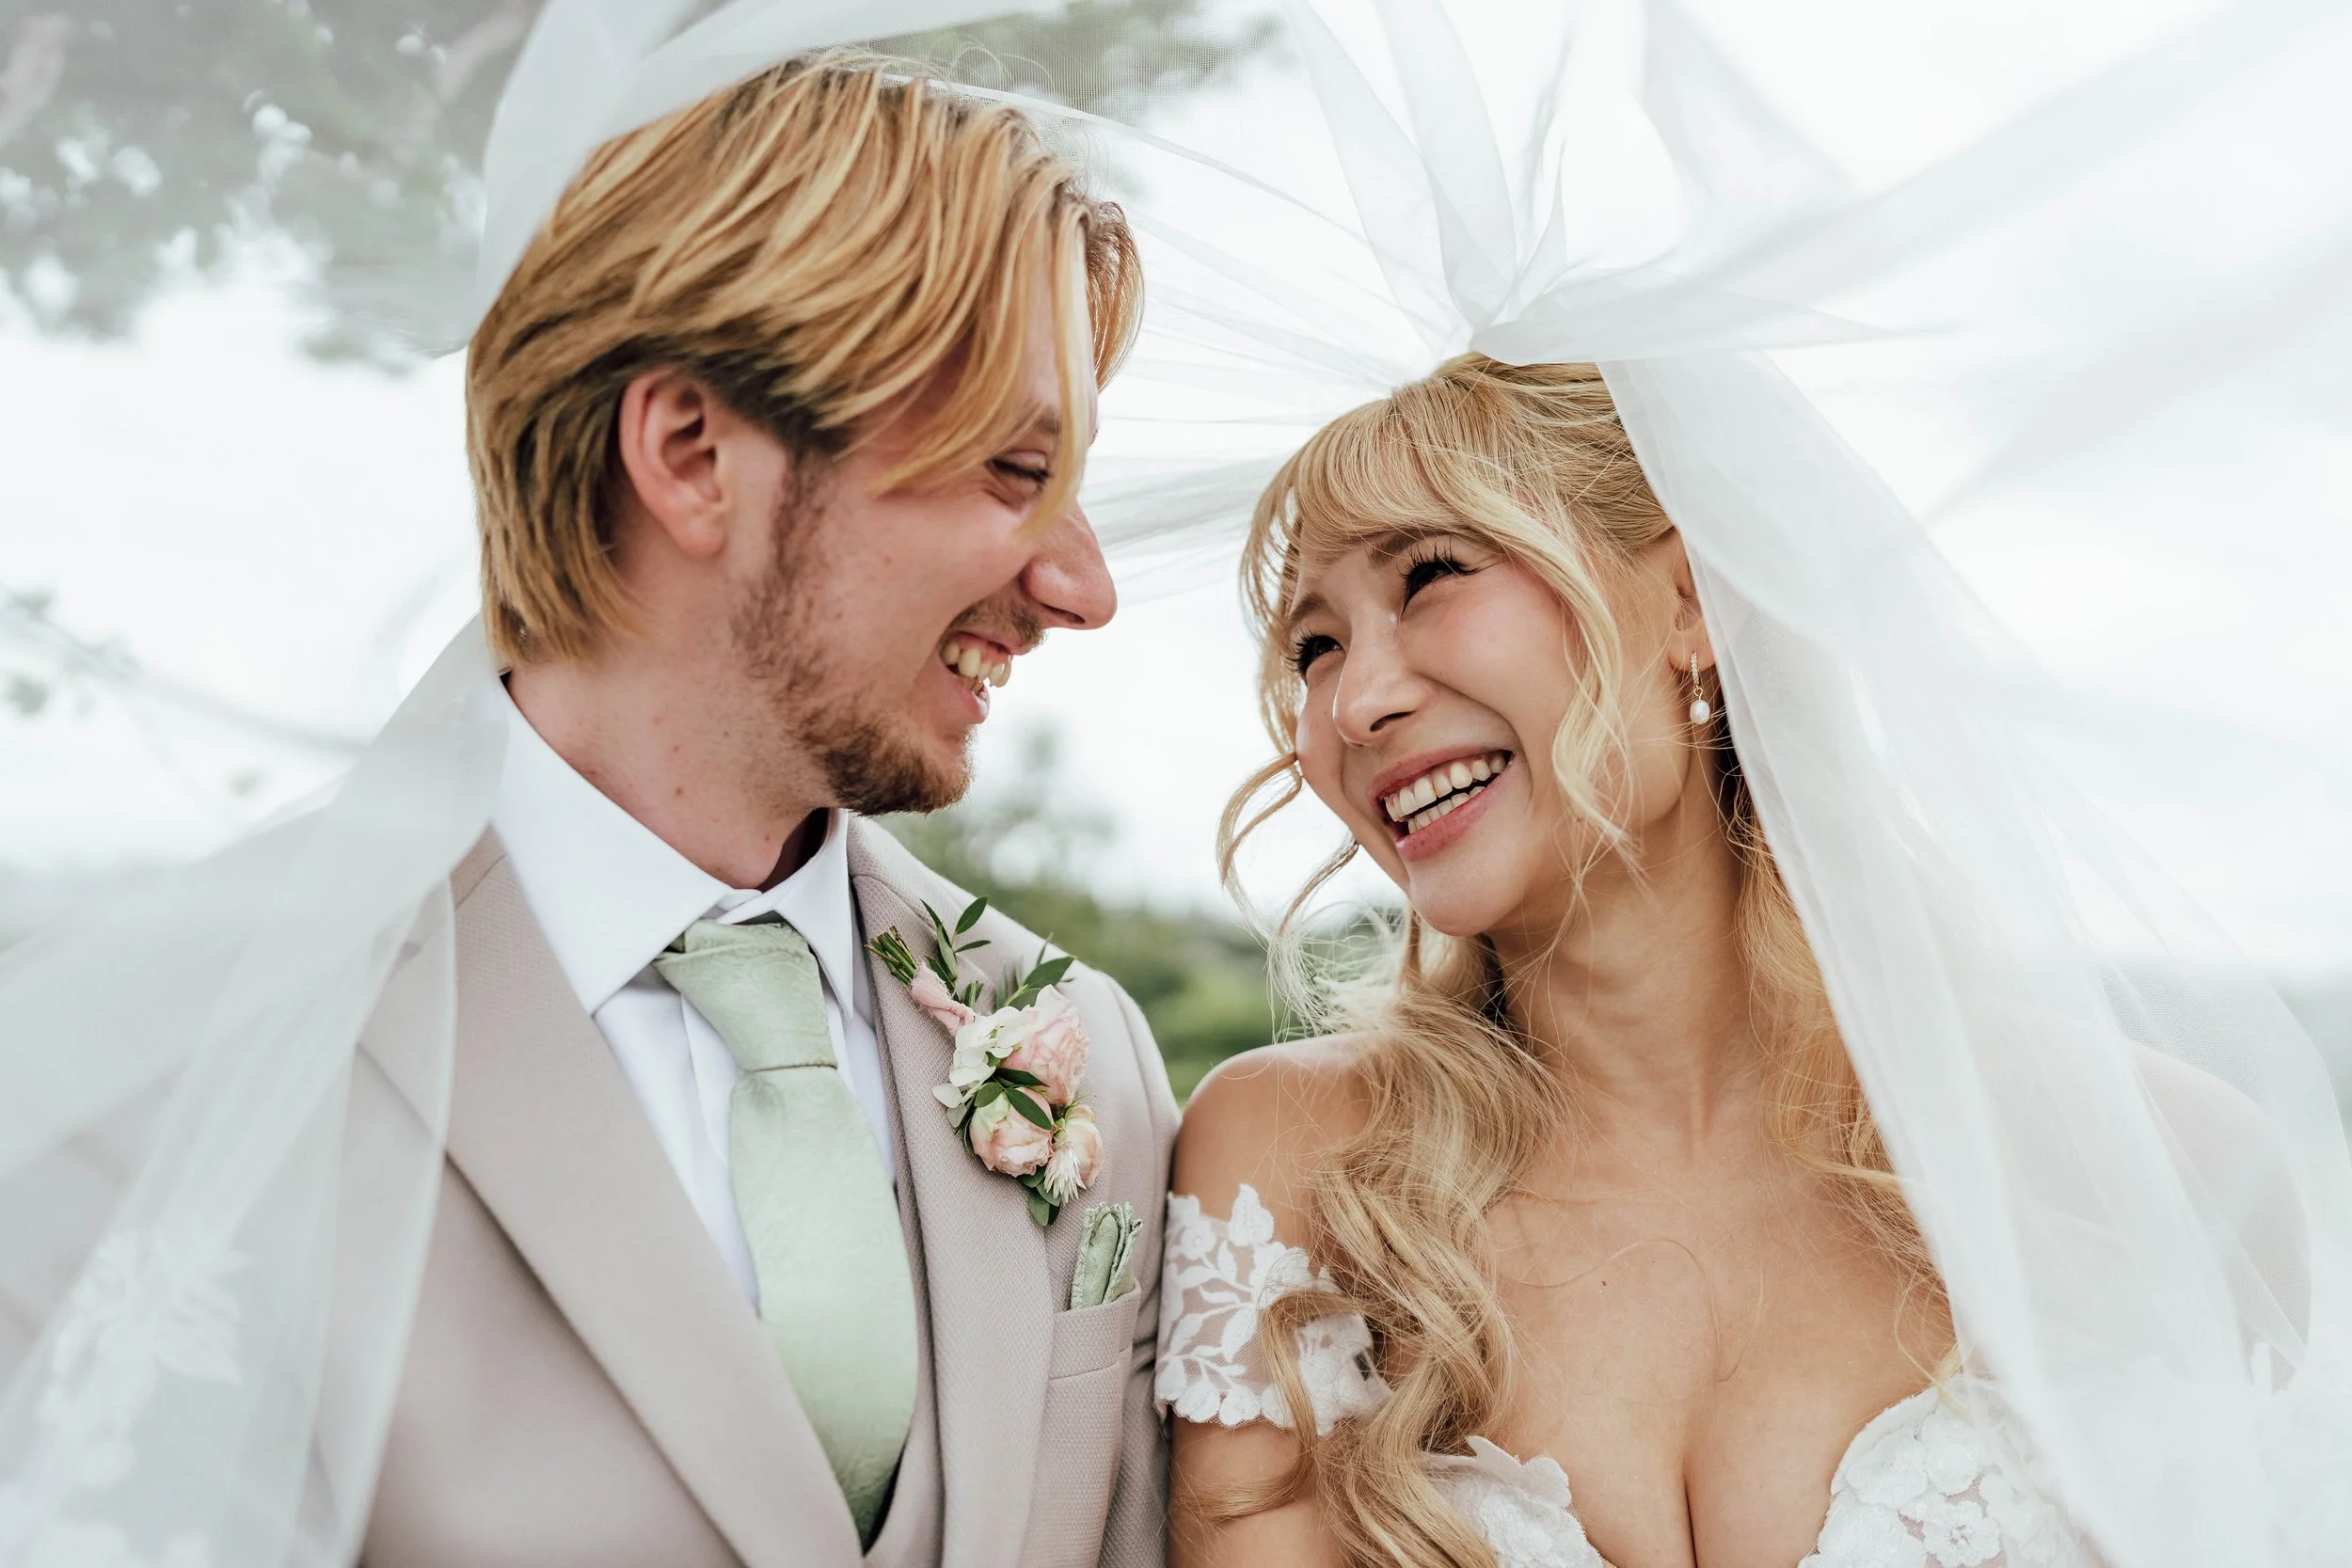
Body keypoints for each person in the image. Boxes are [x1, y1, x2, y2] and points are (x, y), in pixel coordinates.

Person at [1153, 356, 2283, 1568]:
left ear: (1690, 604)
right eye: (1312, 648)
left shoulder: (2164, 1170)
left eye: (1431, 576)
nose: (1353, 705)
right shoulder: (1293, 1171)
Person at [345, 52, 1180, 1568]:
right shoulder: (244, 1046)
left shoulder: (1091, 1058)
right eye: (1014, 468)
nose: (1083, 585)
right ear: (690, 454)